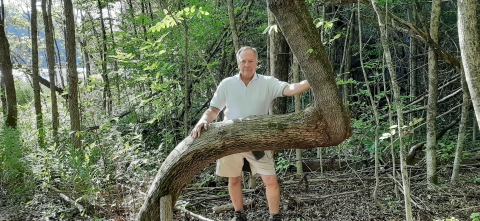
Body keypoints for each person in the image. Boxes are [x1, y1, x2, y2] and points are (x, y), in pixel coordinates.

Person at [190, 46, 310, 221]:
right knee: (234, 179)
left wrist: (315, 80)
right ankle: (239, 214)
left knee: (270, 180)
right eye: (243, 61)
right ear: (238, 63)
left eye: (250, 61)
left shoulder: (267, 82)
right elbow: (214, 110)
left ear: (257, 63)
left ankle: (274, 216)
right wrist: (203, 121)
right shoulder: (227, 84)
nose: (247, 65)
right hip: (231, 139)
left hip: (258, 140)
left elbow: (291, 89)